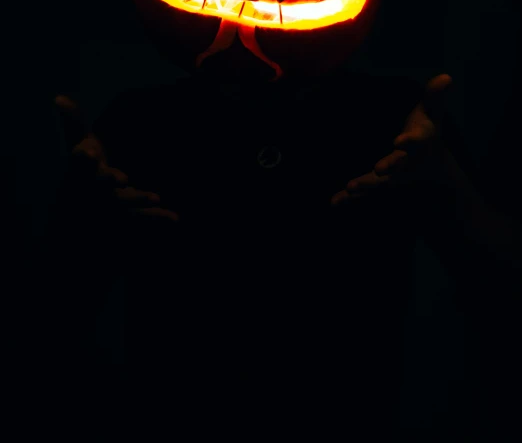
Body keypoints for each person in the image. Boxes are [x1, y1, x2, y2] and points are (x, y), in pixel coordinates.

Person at [28, 67, 522, 432]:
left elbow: (503, 291)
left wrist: (448, 187)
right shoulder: (138, 120)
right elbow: (45, 336)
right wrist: (79, 220)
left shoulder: (404, 123)